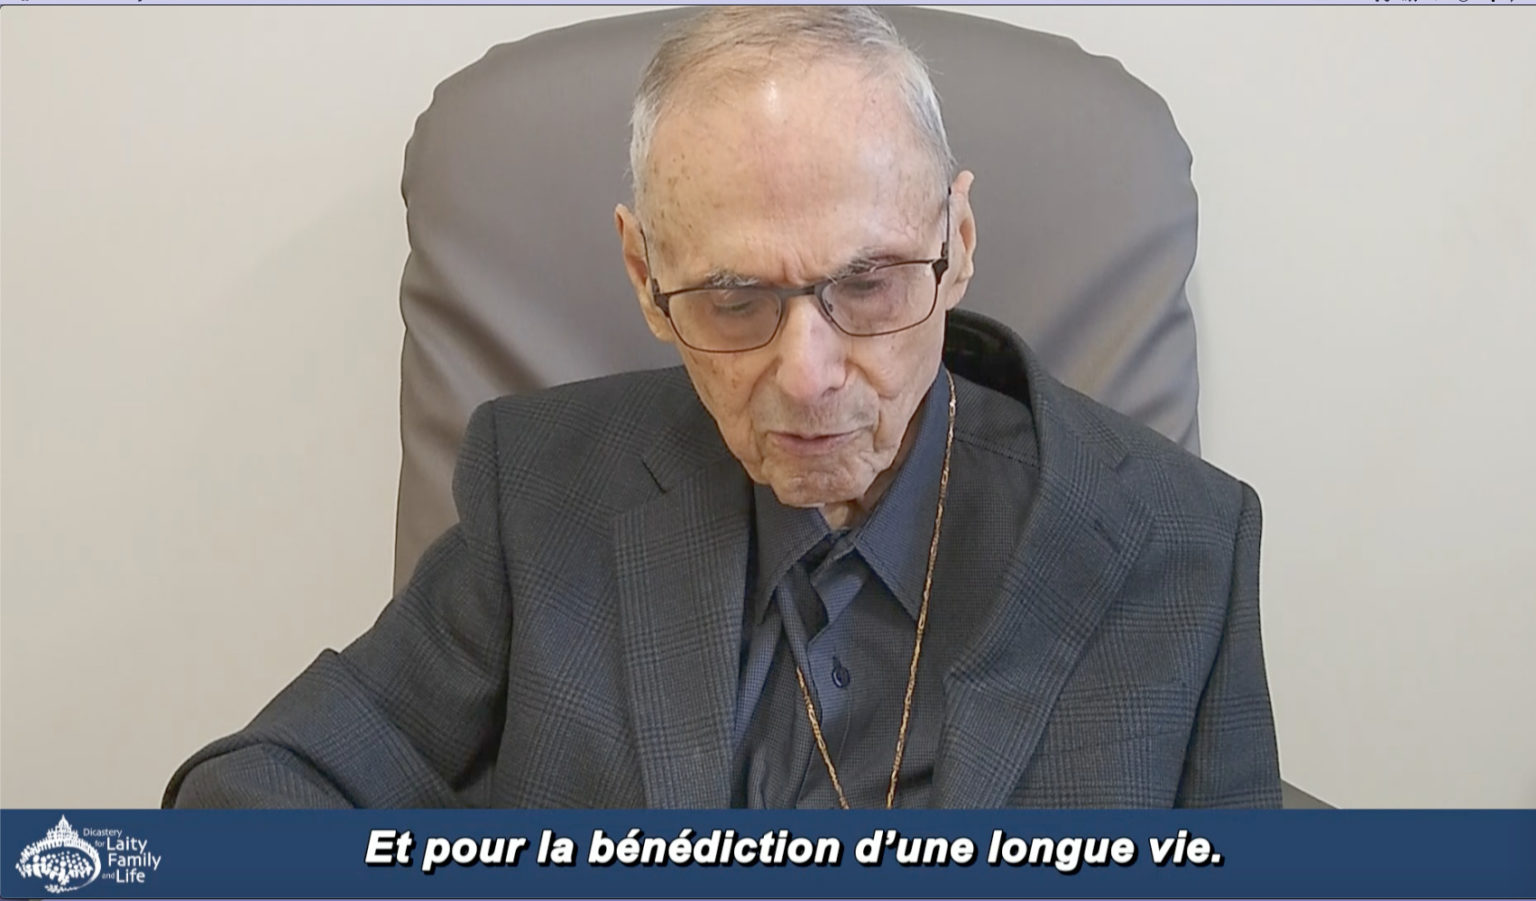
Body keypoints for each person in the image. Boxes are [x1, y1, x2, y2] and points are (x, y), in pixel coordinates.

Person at [165, 5, 1281, 809]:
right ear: (643, 273)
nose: (807, 374)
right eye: (736, 299)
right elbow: (263, 783)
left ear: (959, 243)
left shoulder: (1184, 541)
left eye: (869, 284)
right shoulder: (541, 490)